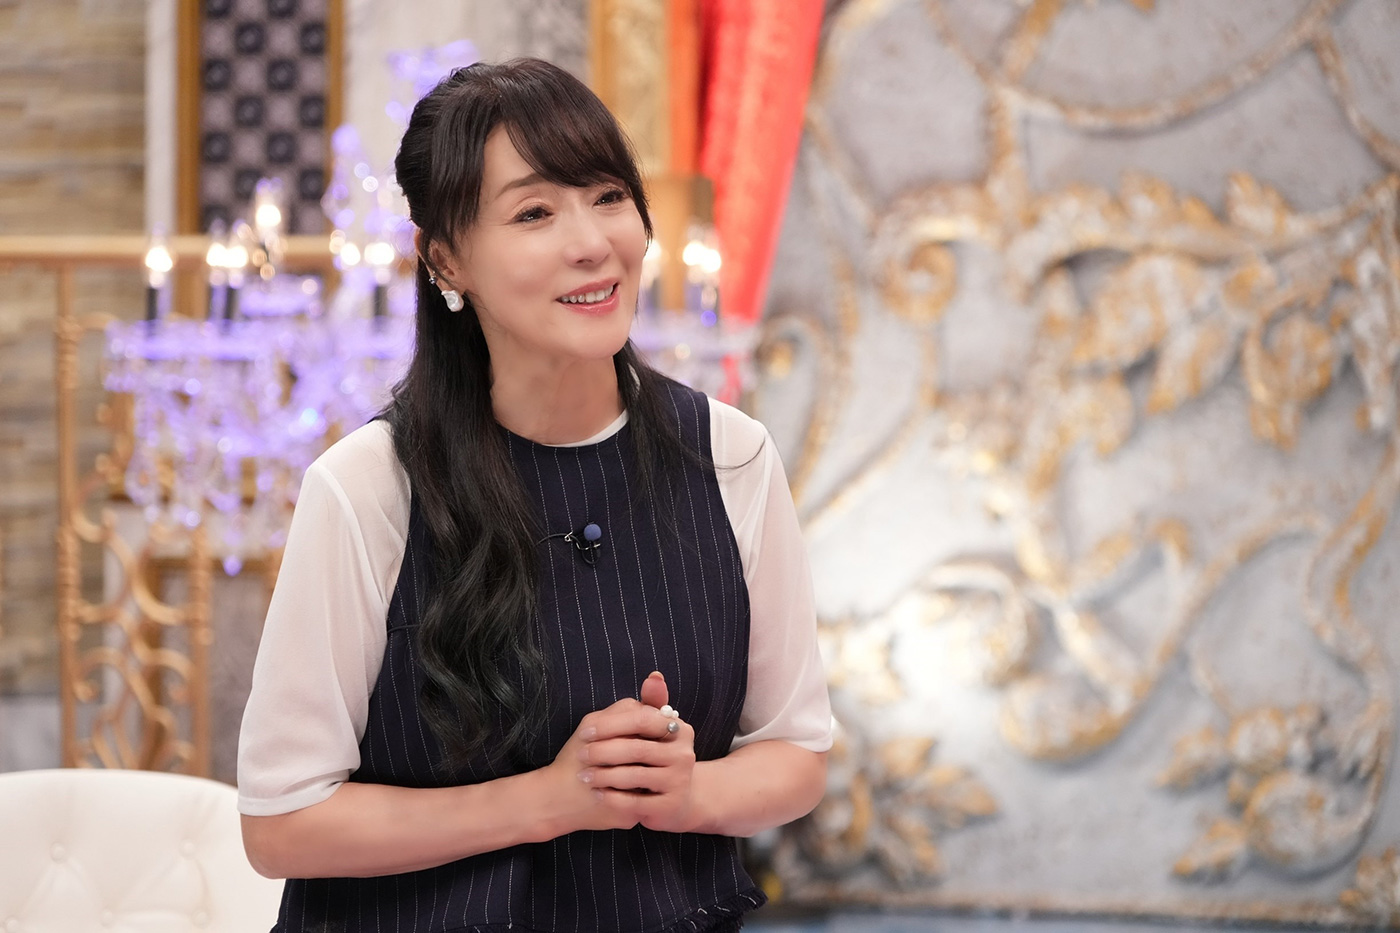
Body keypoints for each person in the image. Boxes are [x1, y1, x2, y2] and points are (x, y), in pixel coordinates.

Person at [236, 58, 832, 933]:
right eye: (534, 213)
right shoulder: (367, 487)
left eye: (607, 196)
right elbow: (281, 823)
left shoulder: (731, 456)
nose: (591, 242)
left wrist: (686, 791)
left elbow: (796, 753)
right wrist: (547, 800)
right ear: (446, 259)